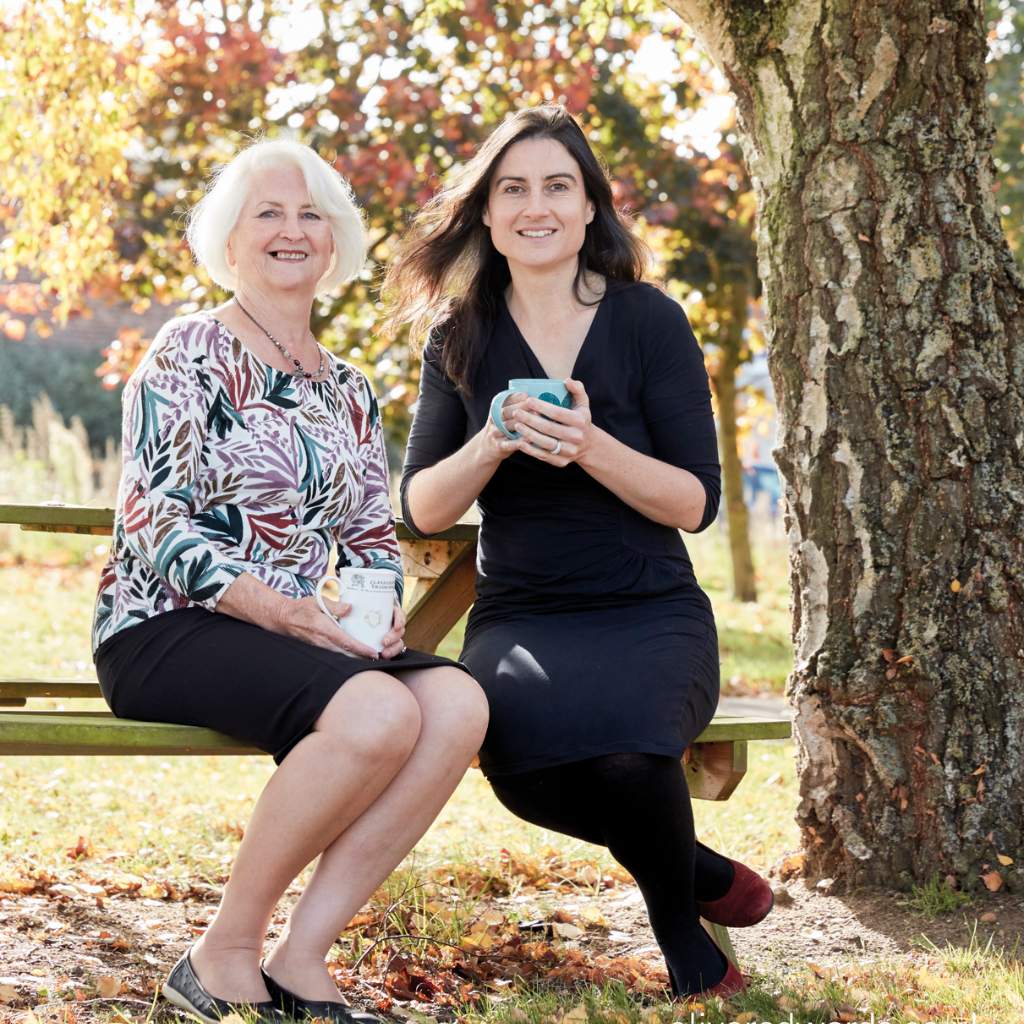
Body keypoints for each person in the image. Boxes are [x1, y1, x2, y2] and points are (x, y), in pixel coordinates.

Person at [90, 138, 489, 1024]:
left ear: (335, 240)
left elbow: (365, 533)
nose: (291, 230)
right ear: (230, 239)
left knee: (458, 704)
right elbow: (154, 521)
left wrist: (380, 615)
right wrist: (280, 611)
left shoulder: (348, 387)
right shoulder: (186, 350)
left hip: (302, 633)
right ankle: (219, 953)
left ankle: (301, 959)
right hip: (167, 623)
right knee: (380, 711)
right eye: (267, 212)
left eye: (311, 214)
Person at [385, 105, 772, 1000]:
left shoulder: (649, 321)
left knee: (631, 756)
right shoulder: (460, 335)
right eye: (512, 189)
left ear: (591, 206)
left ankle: (691, 949)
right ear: (486, 214)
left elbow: (697, 501)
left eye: (558, 186)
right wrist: (488, 444)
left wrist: (592, 446)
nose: (536, 206)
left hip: (648, 606)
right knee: (522, 769)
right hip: (525, 614)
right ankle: (702, 869)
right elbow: (420, 508)